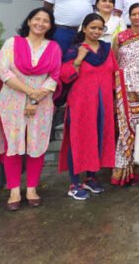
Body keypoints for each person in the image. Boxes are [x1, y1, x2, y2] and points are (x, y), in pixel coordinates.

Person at [0, 8, 62, 211]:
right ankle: (14, 190)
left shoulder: (53, 47)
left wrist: (34, 100)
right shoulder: (12, 43)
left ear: (50, 26)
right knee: (13, 143)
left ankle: (32, 189)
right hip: (12, 101)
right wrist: (29, 92)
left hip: (41, 103)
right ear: (29, 21)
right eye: (37, 19)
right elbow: (3, 71)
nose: (40, 23)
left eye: (45, 21)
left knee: (37, 144)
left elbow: (54, 76)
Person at [59, 14, 119, 200]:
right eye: (93, 27)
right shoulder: (75, 50)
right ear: (84, 28)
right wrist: (78, 59)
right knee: (78, 139)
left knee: (98, 137)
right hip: (81, 103)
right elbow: (65, 75)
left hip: (104, 102)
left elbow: (114, 73)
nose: (96, 31)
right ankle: (74, 183)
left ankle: (91, 178)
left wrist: (116, 99)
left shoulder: (106, 50)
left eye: (100, 28)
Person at [112, 3, 139, 186]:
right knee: (125, 128)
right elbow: (114, 62)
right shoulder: (120, 37)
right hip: (124, 89)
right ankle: (123, 169)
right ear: (129, 17)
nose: (137, 17)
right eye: (134, 14)